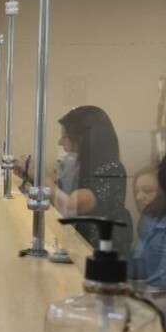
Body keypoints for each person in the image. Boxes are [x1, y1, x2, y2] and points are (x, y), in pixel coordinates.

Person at [53, 106, 132, 255]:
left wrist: (42, 181)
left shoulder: (112, 169)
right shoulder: (79, 166)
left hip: (103, 253)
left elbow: (72, 206)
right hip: (82, 246)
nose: (60, 142)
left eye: (65, 136)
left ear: (83, 139)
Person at [131, 146, 166, 292]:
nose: (139, 197)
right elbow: (141, 267)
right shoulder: (148, 220)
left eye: (147, 191)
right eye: (136, 191)